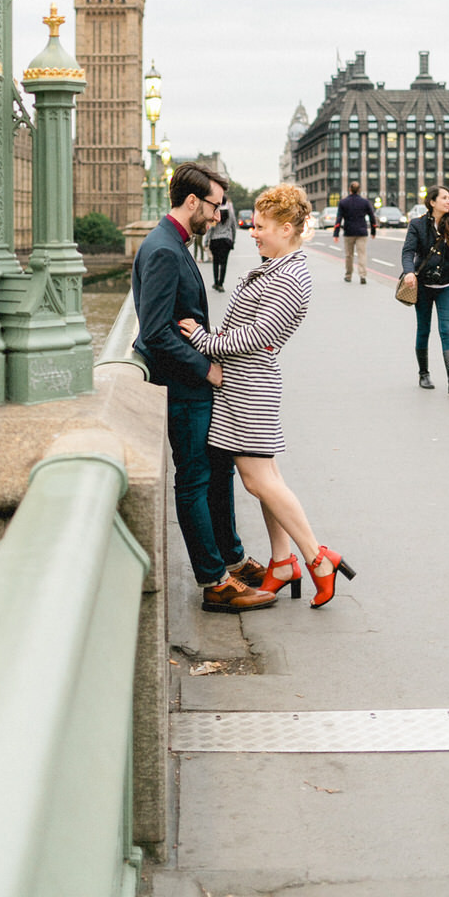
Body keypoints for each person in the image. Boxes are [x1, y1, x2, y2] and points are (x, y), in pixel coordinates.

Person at [178, 184, 356, 610]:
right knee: (267, 480)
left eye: (260, 227)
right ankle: (281, 562)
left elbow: (262, 336)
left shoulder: (291, 275)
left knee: (258, 480)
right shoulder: (278, 266)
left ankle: (317, 556)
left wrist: (204, 341)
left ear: (287, 228)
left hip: (250, 386)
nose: (252, 233)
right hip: (245, 383)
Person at [132, 161, 276, 615]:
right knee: (194, 479)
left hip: (194, 385)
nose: (218, 216)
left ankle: (230, 559)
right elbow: (154, 331)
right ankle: (214, 581)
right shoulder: (162, 251)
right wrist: (206, 368)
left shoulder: (173, 244)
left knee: (217, 471)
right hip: (184, 387)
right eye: (214, 206)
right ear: (192, 201)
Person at [400, 184, 449, 393]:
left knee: (446, 330)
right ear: (432, 202)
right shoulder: (417, 225)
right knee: (424, 329)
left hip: (446, 286)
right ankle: (424, 374)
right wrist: (409, 271)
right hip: (423, 287)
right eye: (444, 198)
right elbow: (408, 251)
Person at [332, 181, 377, 284]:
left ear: (349, 189)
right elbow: (372, 217)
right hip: (362, 231)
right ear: (359, 190)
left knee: (349, 255)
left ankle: (348, 275)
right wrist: (373, 231)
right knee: (362, 254)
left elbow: (339, 219)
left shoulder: (343, 202)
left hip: (349, 231)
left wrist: (336, 233)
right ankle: (362, 275)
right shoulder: (365, 202)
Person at [208, 192, 237, 292]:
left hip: (215, 239)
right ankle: (221, 283)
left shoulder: (215, 212)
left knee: (215, 262)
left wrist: (207, 239)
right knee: (224, 262)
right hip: (226, 239)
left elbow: (211, 227)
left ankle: (216, 282)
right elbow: (233, 226)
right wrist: (233, 239)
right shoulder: (230, 212)